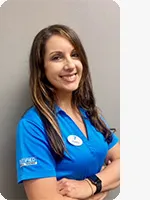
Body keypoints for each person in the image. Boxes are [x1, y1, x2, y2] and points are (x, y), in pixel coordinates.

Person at [16, 24, 120, 200]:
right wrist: (104, 185)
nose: (70, 65)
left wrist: (90, 185)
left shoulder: (92, 114)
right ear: (42, 68)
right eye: (57, 57)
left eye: (75, 55)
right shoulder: (32, 126)